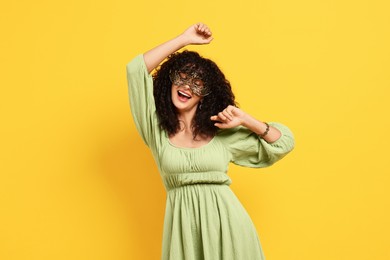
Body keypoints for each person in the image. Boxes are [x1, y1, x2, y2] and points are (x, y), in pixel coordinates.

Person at [126, 23, 295, 260]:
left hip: (230, 229)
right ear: (169, 82)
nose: (187, 86)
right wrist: (183, 39)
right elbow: (135, 70)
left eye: (197, 84)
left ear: (206, 94)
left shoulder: (221, 133)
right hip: (184, 233)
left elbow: (283, 142)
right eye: (182, 77)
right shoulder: (156, 131)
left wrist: (246, 120)